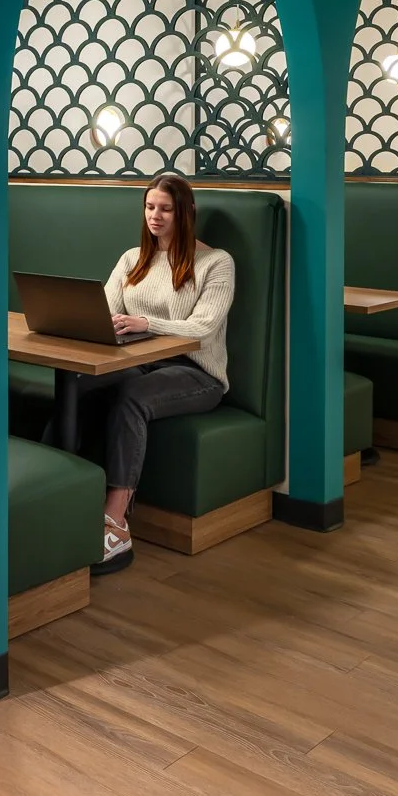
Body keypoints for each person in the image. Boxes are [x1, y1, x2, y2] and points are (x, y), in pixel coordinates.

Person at [88, 173, 235, 573]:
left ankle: (115, 524)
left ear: (186, 212)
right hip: (142, 363)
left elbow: (203, 327)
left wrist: (144, 322)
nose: (155, 216)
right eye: (150, 207)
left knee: (130, 399)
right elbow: (103, 311)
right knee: (79, 386)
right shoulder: (130, 259)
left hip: (196, 373)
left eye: (165, 209)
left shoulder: (216, 263)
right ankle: (67, 504)